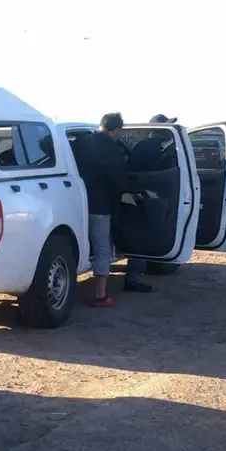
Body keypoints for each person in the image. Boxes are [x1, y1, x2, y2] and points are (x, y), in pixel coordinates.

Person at [73, 112, 152, 307]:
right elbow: (120, 180)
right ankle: (100, 296)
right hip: (100, 207)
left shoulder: (80, 142)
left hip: (74, 204)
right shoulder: (112, 150)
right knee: (102, 249)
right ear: (116, 130)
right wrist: (137, 190)